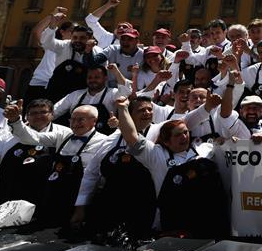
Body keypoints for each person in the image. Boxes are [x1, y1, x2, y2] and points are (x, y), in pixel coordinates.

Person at [115, 96, 229, 238]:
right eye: (178, 135)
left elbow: (233, 151)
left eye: (185, 132)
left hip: (207, 221)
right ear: (166, 141)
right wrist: (122, 108)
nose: (184, 137)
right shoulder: (156, 155)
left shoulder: (205, 149)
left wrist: (231, 141)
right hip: (173, 224)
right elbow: (131, 137)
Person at [5, 100, 108, 228]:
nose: (75, 124)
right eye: (72, 119)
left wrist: (81, 206)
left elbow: (96, 177)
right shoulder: (63, 135)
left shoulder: (104, 142)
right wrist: (15, 121)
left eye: (81, 120)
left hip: (79, 198)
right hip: (54, 195)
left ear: (94, 121)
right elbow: (33, 138)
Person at [74, 96, 163, 238]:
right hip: (109, 207)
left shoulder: (159, 134)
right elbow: (91, 174)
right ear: (128, 115)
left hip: (141, 209)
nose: (147, 113)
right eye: (141, 110)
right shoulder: (109, 141)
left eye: (149, 109)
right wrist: (80, 207)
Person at [0, 98, 55, 210]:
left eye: (43, 112)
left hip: (41, 201)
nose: (38, 116)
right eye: (33, 113)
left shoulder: (62, 134)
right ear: (26, 116)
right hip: (5, 198)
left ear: (52, 114)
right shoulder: (8, 136)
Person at [52, 64, 131, 134]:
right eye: (89, 77)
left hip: (103, 139)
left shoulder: (113, 93)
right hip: (76, 138)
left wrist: (116, 72)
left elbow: (126, 91)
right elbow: (55, 111)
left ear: (105, 78)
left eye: (97, 77)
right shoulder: (76, 95)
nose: (93, 80)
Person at [40, 8, 99, 101]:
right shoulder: (64, 46)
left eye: (82, 38)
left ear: (91, 38)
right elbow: (45, 43)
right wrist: (52, 26)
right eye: (75, 37)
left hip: (82, 95)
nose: (77, 41)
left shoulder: (98, 52)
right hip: (57, 91)